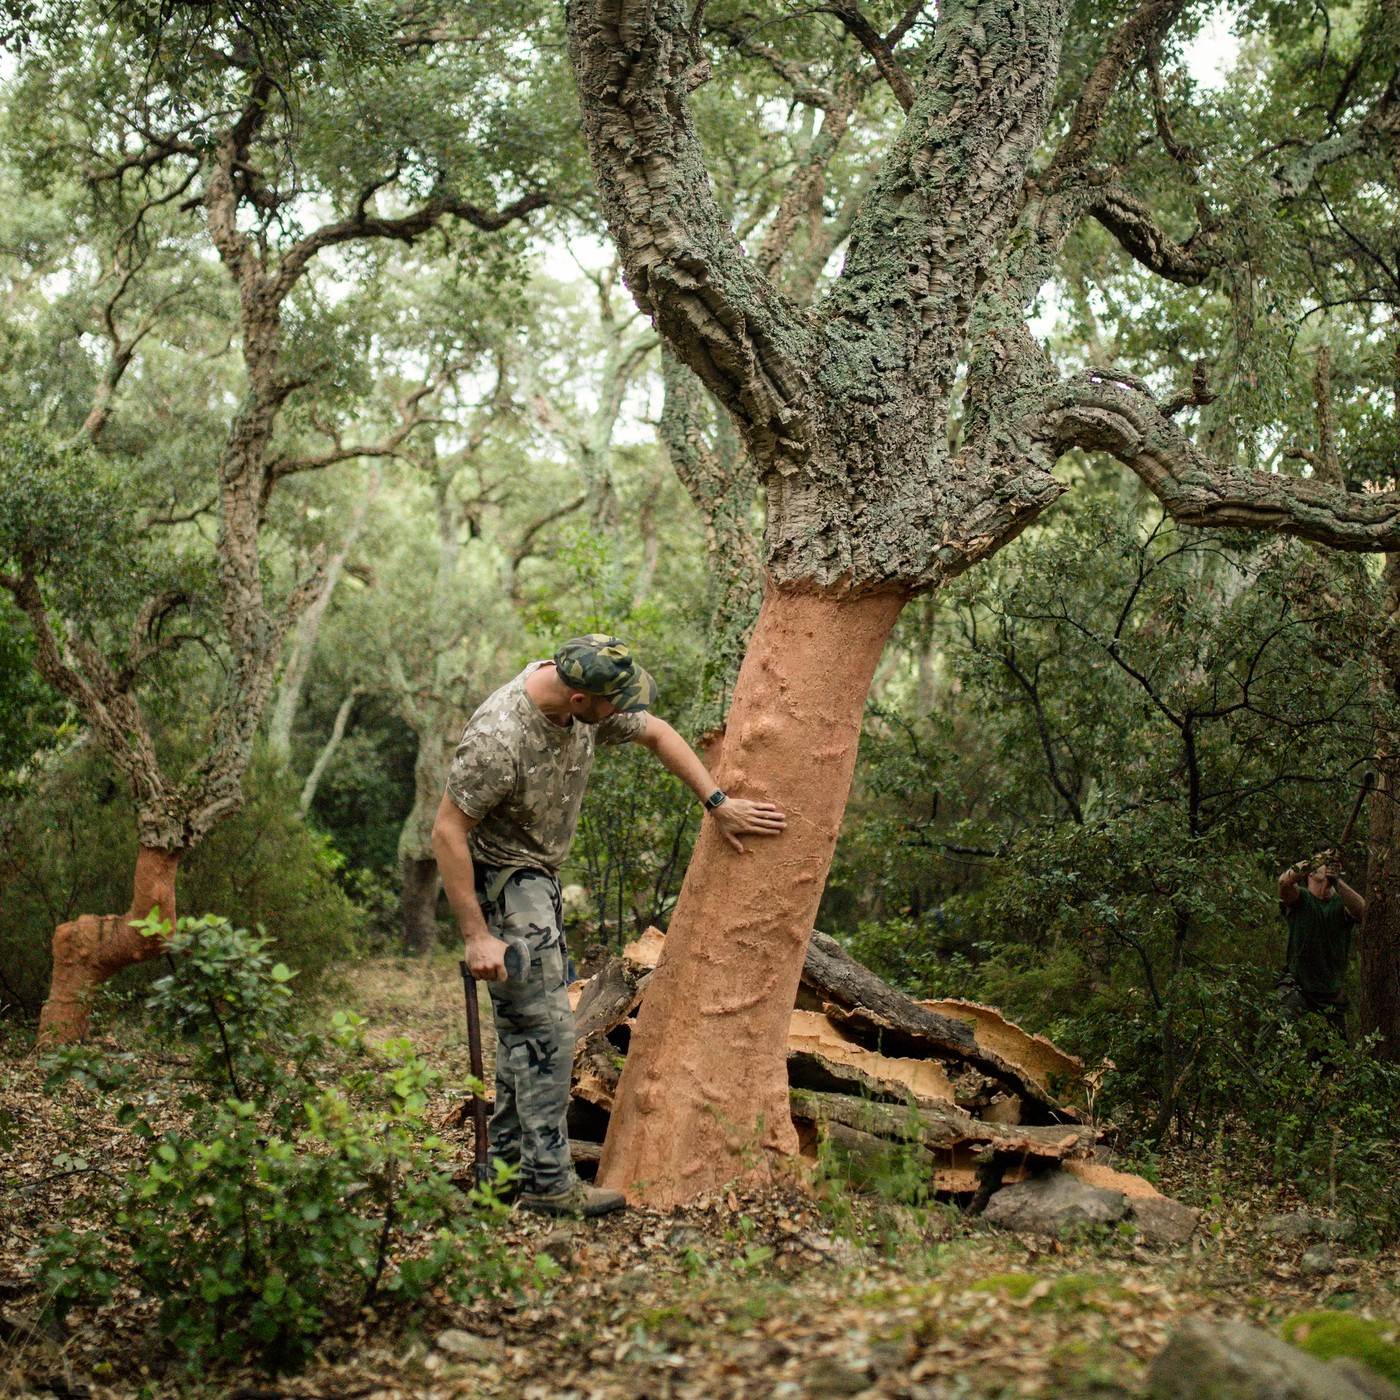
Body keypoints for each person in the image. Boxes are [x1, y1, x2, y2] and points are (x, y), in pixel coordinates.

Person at [431, 634, 787, 1217]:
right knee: (548, 1032)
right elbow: (448, 831)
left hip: (538, 880)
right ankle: (547, 1185)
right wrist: (477, 934)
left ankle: (499, 1176)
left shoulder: (587, 702)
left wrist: (717, 801)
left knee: (524, 1031)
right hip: (502, 879)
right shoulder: (499, 737)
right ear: (577, 700)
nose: (622, 711)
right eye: (612, 702)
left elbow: (658, 732)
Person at [1277, 851, 1366, 1036]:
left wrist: (1338, 882)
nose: (1327, 865)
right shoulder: (1300, 899)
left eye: (1331, 863)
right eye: (1323, 863)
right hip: (1298, 986)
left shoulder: (1341, 903)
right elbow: (1284, 882)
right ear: (1309, 872)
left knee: (1334, 1059)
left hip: (1330, 994)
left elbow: (1363, 912)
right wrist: (1316, 860)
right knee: (1275, 1036)